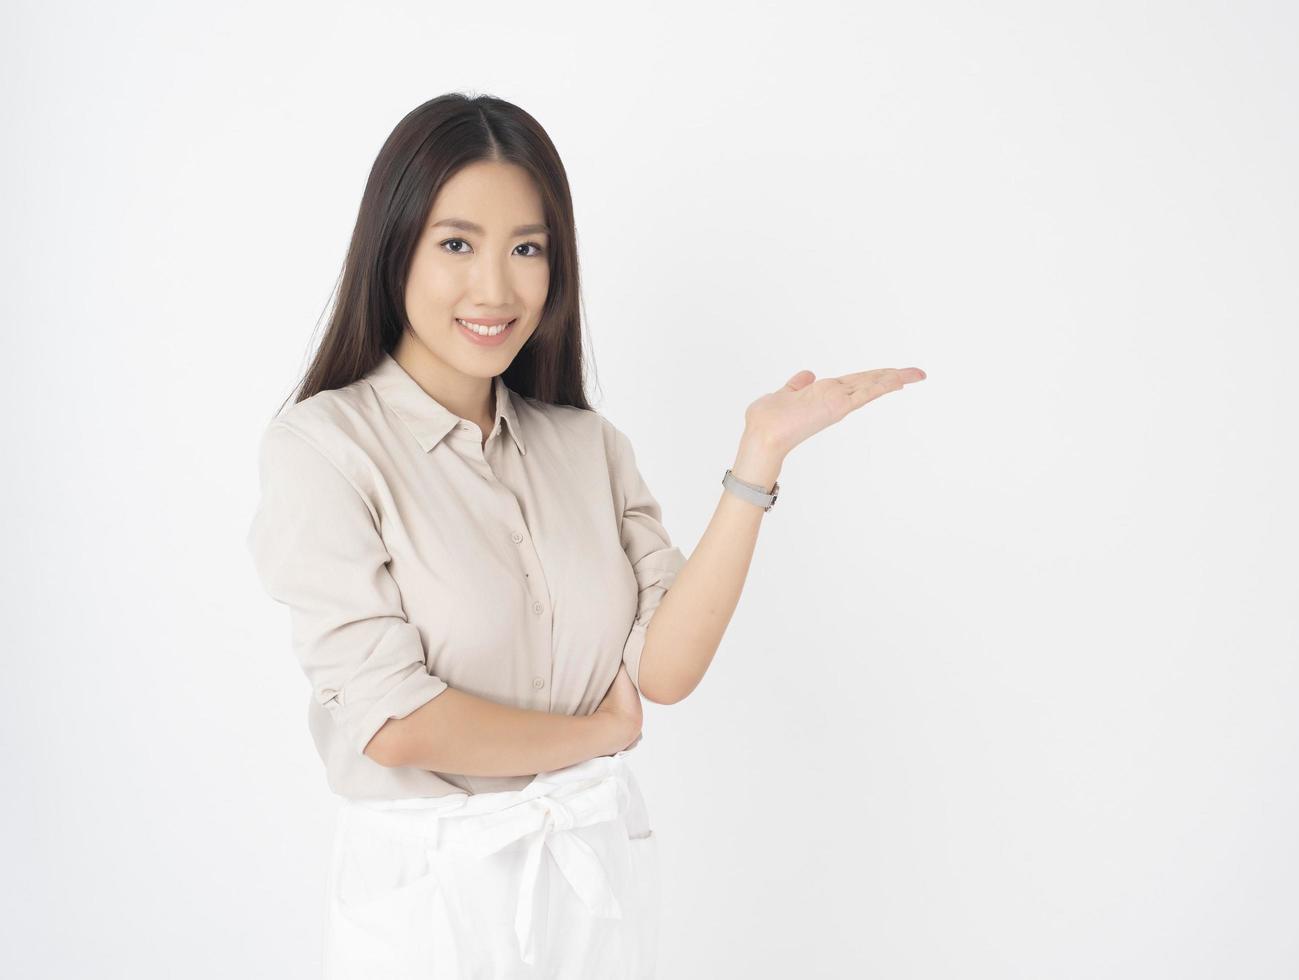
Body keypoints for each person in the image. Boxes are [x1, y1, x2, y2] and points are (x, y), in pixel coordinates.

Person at [246, 91, 926, 979]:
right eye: (457, 244)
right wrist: (595, 737)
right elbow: (397, 723)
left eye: (527, 249)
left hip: (589, 882)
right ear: (393, 249)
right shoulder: (324, 449)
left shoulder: (587, 445)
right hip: (430, 906)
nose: (496, 288)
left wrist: (758, 459)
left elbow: (665, 670)